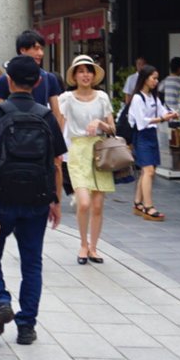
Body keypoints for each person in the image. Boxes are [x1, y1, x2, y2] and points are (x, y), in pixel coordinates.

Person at [0, 55, 65, 345]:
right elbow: (56, 161)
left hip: (1, 198)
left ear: (9, 81)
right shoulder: (45, 115)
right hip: (37, 200)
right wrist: (55, 200)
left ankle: (0, 300)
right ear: (38, 82)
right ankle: (26, 326)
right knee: (32, 263)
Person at [59, 55, 115, 264]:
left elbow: (113, 127)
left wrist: (100, 123)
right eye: (81, 70)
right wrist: (55, 154)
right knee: (83, 203)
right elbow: (61, 126)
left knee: (98, 205)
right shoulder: (67, 98)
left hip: (99, 151)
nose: (86, 75)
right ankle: (83, 243)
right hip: (77, 151)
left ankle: (93, 247)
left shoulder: (102, 97)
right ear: (74, 75)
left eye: (89, 70)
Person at [129, 64, 179, 221]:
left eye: (157, 78)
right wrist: (163, 118)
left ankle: (138, 203)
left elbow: (163, 112)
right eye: (154, 78)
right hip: (141, 136)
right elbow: (141, 122)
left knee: (147, 171)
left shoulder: (154, 97)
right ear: (145, 79)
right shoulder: (137, 98)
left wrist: (171, 114)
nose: (156, 81)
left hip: (152, 135)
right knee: (149, 171)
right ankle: (148, 207)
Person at [0, 29, 63, 129]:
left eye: (42, 49)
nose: (41, 53)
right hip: (12, 136)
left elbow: (56, 114)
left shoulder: (49, 78)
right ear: (23, 50)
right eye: (36, 48)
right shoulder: (6, 79)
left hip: (40, 136)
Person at [160, 57, 180, 134]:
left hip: (167, 116)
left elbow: (160, 89)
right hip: (178, 116)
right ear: (179, 69)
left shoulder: (166, 80)